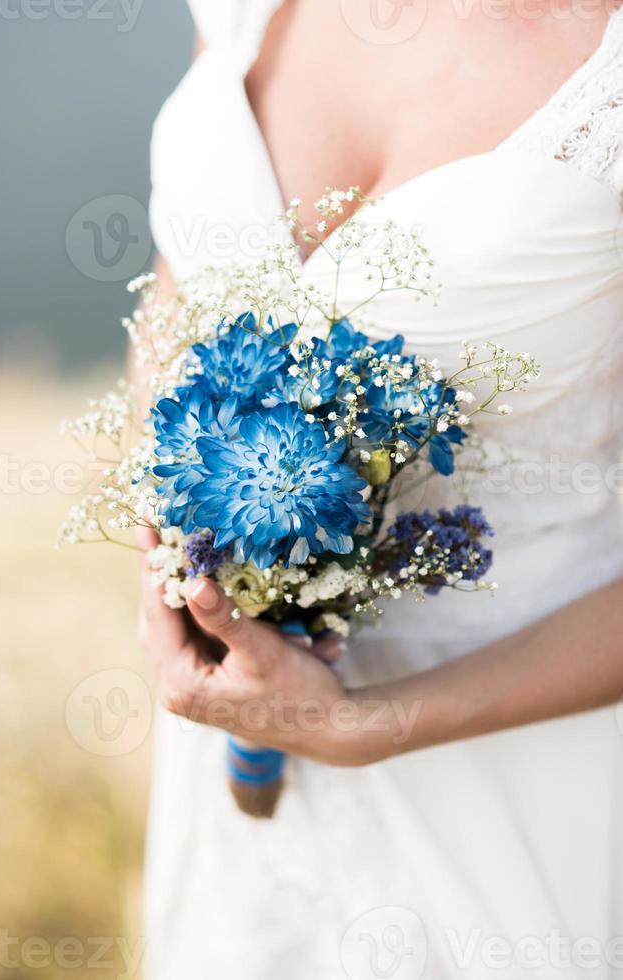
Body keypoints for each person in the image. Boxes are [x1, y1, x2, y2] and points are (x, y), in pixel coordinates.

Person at [138, 1, 623, 976]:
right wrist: (169, 568)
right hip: (231, 739)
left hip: (523, 771)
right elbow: (174, 291)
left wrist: (364, 724)